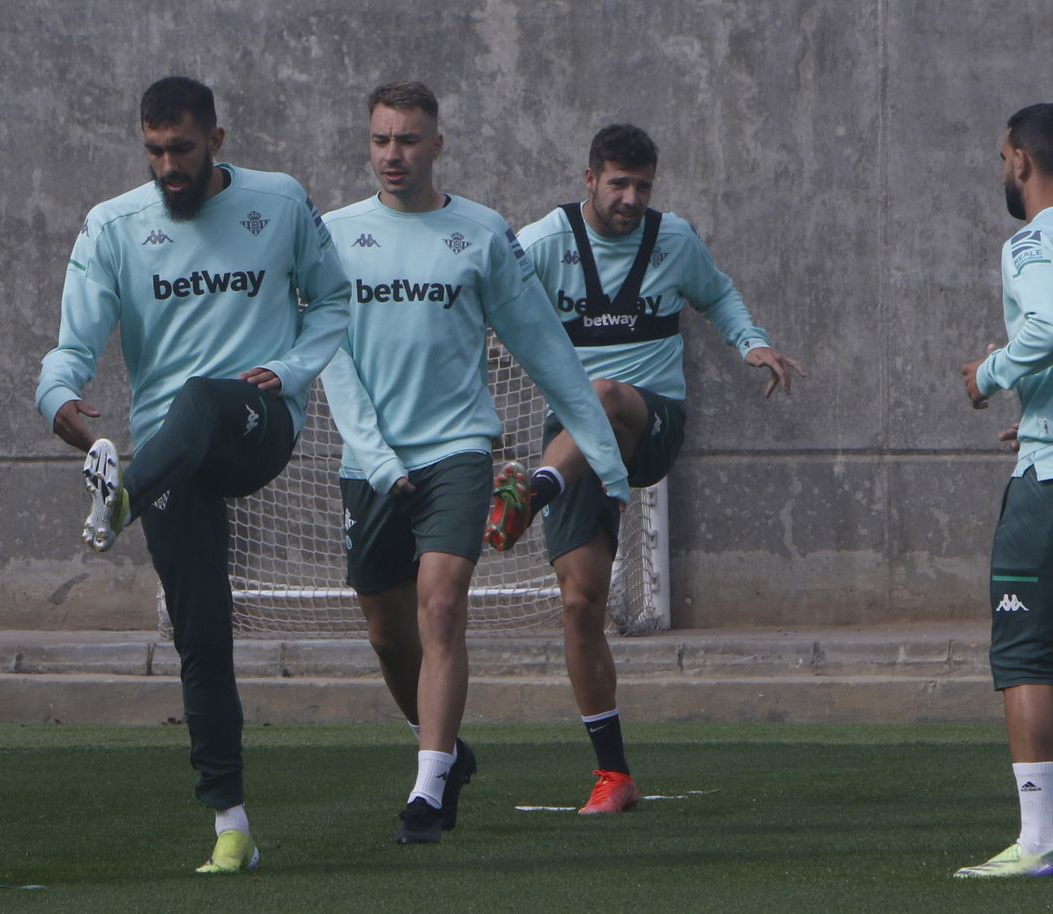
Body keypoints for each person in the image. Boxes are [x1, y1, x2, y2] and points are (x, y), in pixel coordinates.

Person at [35, 77, 350, 874]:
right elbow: (71, 345)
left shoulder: (278, 203)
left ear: (216, 137)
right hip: (165, 448)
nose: (167, 166)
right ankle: (232, 827)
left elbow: (335, 300)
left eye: (181, 149)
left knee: (208, 397)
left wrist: (291, 367)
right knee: (201, 635)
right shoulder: (113, 225)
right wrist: (58, 398)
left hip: (257, 420)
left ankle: (123, 500)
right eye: (153, 151)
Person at [318, 82, 628, 844]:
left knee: (442, 606)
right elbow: (328, 355)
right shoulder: (330, 236)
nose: (394, 155)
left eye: (409, 140)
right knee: (391, 636)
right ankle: (450, 756)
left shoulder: (482, 233)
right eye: (382, 140)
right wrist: (373, 453)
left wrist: (604, 453)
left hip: (458, 451)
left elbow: (546, 349)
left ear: (437, 145)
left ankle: (425, 793)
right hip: (370, 464)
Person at [493, 124, 803, 814]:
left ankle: (533, 490)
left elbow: (717, 295)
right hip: (575, 438)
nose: (631, 199)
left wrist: (751, 343)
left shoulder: (673, 241)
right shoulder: (543, 243)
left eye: (643, 186)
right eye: (618, 184)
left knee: (602, 394)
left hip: (650, 422)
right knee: (580, 605)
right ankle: (614, 776)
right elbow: (486, 296)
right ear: (589, 180)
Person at [956, 102, 1053, 879]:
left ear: (1021, 160)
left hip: (1047, 487)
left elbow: (1049, 323)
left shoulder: (1032, 241)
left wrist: (987, 376)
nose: (1001, 173)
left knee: (1026, 654)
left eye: (1001, 159)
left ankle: (1037, 841)